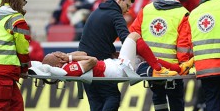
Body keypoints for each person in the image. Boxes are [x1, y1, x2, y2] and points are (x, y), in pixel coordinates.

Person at [129, 0, 191, 111]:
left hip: (151, 67)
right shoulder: (183, 13)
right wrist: (183, 65)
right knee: (176, 101)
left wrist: (141, 59)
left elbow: (133, 34)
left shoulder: (146, 9)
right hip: (172, 68)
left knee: (158, 98)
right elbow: (184, 45)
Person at [38, 32, 191, 77]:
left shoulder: (66, 64)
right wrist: (70, 58)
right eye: (55, 54)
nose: (57, 53)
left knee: (145, 57)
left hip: (116, 65)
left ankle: (179, 69)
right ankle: (158, 69)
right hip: (120, 68)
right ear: (58, 63)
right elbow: (91, 60)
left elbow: (82, 53)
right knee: (134, 36)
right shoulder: (69, 69)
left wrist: (67, 55)